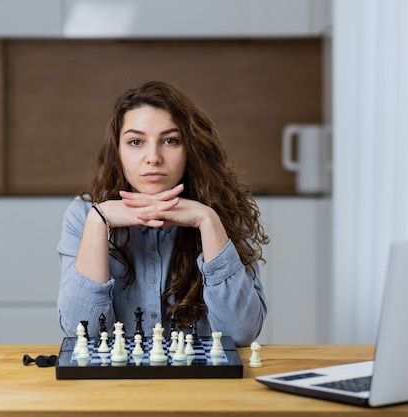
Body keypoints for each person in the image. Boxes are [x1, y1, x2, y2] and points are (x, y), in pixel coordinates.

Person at [57, 81, 268, 346]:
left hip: (204, 386)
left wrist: (208, 221)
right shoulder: (85, 215)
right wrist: (98, 225)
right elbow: (82, 335)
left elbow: (241, 334)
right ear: (117, 152)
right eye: (136, 142)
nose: (153, 157)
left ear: (190, 149)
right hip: (114, 386)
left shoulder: (225, 211)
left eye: (170, 140)